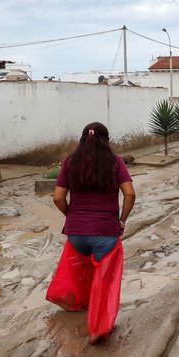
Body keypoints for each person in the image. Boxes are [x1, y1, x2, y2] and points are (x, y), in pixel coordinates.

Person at [47, 122, 136, 343]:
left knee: (79, 273)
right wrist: (122, 220)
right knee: (103, 281)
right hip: (105, 231)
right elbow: (130, 194)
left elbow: (58, 197)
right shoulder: (115, 163)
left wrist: (71, 215)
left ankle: (76, 304)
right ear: (107, 141)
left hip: (77, 233)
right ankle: (98, 328)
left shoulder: (69, 164)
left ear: (82, 140)